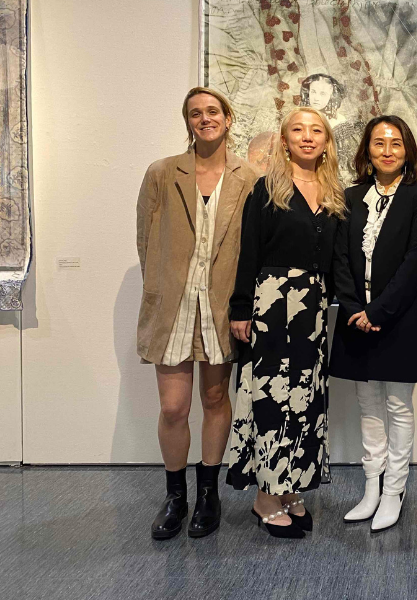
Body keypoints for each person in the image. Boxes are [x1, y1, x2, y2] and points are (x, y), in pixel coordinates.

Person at [136, 87, 258, 541]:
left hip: (221, 305)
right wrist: (160, 287)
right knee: (173, 407)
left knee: (213, 400)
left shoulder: (251, 176)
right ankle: (175, 496)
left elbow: (254, 247)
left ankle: (208, 492)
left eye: (212, 111)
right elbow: (145, 240)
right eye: (195, 113)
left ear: (228, 118)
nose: (204, 119)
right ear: (187, 121)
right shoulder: (162, 173)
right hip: (173, 305)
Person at [226, 106, 348, 539]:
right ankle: (265, 494)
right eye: (298, 130)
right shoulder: (265, 190)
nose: (308, 137)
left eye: (317, 130)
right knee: (271, 399)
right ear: (284, 141)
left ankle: (291, 485)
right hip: (272, 303)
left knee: (306, 398)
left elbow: (336, 261)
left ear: (326, 142)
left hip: (312, 309)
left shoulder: (335, 193)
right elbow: (249, 253)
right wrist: (241, 309)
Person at [330, 115, 417, 531]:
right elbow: (339, 257)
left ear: (406, 151)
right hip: (355, 316)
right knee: (367, 405)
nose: (387, 150)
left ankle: (395, 489)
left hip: (398, 316)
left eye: (395, 143)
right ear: (367, 151)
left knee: (398, 405)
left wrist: (379, 312)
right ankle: (371, 487)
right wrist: (356, 307)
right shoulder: (350, 195)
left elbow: (415, 260)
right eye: (379, 143)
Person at [301, 73, 365, 183]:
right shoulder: (300, 119)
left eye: (322, 94)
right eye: (313, 92)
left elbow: (346, 162)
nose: (316, 98)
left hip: (334, 176)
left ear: (331, 95)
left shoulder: (339, 123)